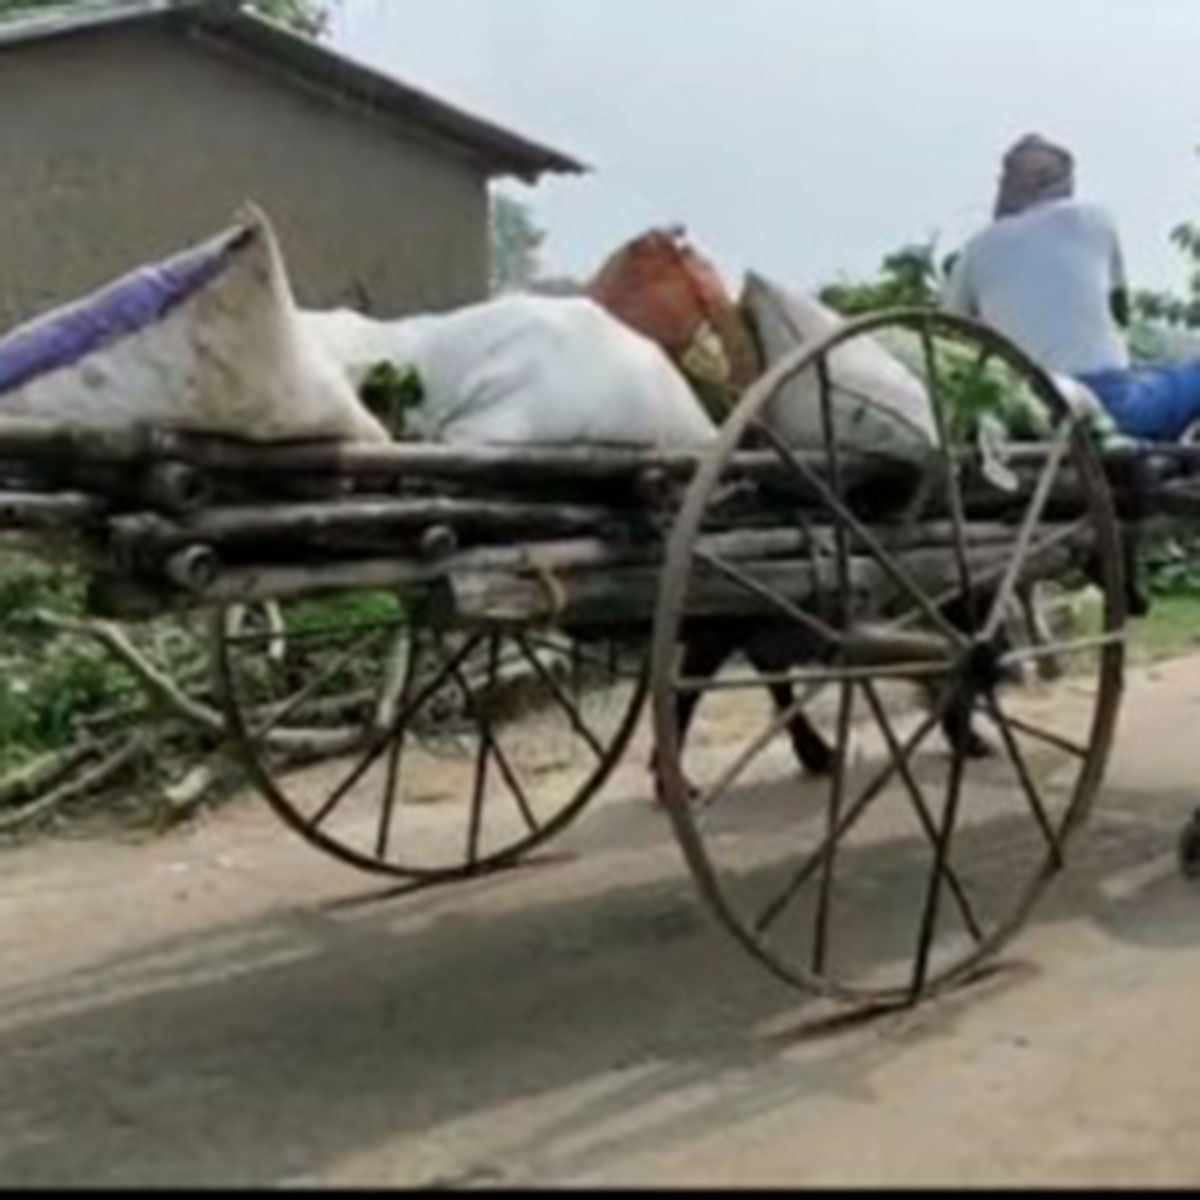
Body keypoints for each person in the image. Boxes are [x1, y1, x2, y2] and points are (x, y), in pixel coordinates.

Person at [944, 133, 1200, 441]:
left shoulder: (974, 251)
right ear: (1061, 183)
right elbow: (1120, 311)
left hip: (1022, 407)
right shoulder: (1094, 219)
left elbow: (950, 331)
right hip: (1104, 403)